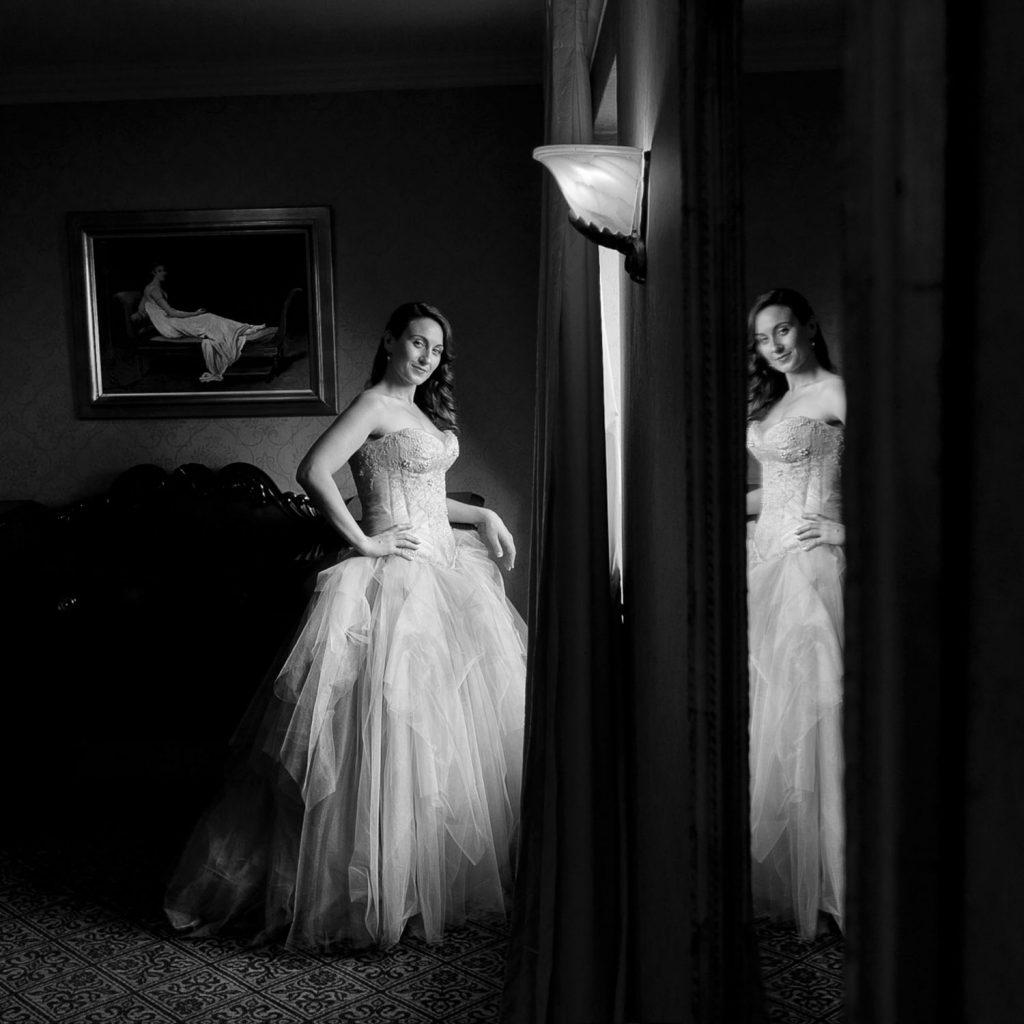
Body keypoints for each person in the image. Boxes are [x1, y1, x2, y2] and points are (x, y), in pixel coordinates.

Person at [164, 302, 527, 949]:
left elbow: (422, 492)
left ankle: (413, 887)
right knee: (380, 740)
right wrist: (365, 541)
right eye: (416, 342)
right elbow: (314, 470)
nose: (425, 356)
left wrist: (482, 519)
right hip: (394, 586)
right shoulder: (373, 404)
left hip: (443, 573)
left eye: (436, 350)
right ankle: (358, 898)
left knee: (435, 746)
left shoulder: (420, 413)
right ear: (389, 340)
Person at [745, 287, 846, 939]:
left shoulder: (835, 392)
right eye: (762, 338)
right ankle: (793, 880)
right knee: (773, 724)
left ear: (807, 327)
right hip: (765, 562)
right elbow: (775, 492)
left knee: (819, 725)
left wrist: (841, 533)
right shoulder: (778, 401)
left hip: (810, 572)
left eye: (782, 330)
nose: (774, 345)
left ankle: (839, 884)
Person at [137, 263, 269, 382]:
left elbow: (142, 307)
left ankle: (245, 328)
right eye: (160, 271)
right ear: (153, 273)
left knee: (209, 318)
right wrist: (195, 313)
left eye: (164, 270)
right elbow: (171, 312)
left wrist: (140, 315)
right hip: (170, 326)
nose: (164, 273)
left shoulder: (149, 288)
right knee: (208, 318)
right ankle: (245, 329)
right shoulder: (154, 289)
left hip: (171, 321)